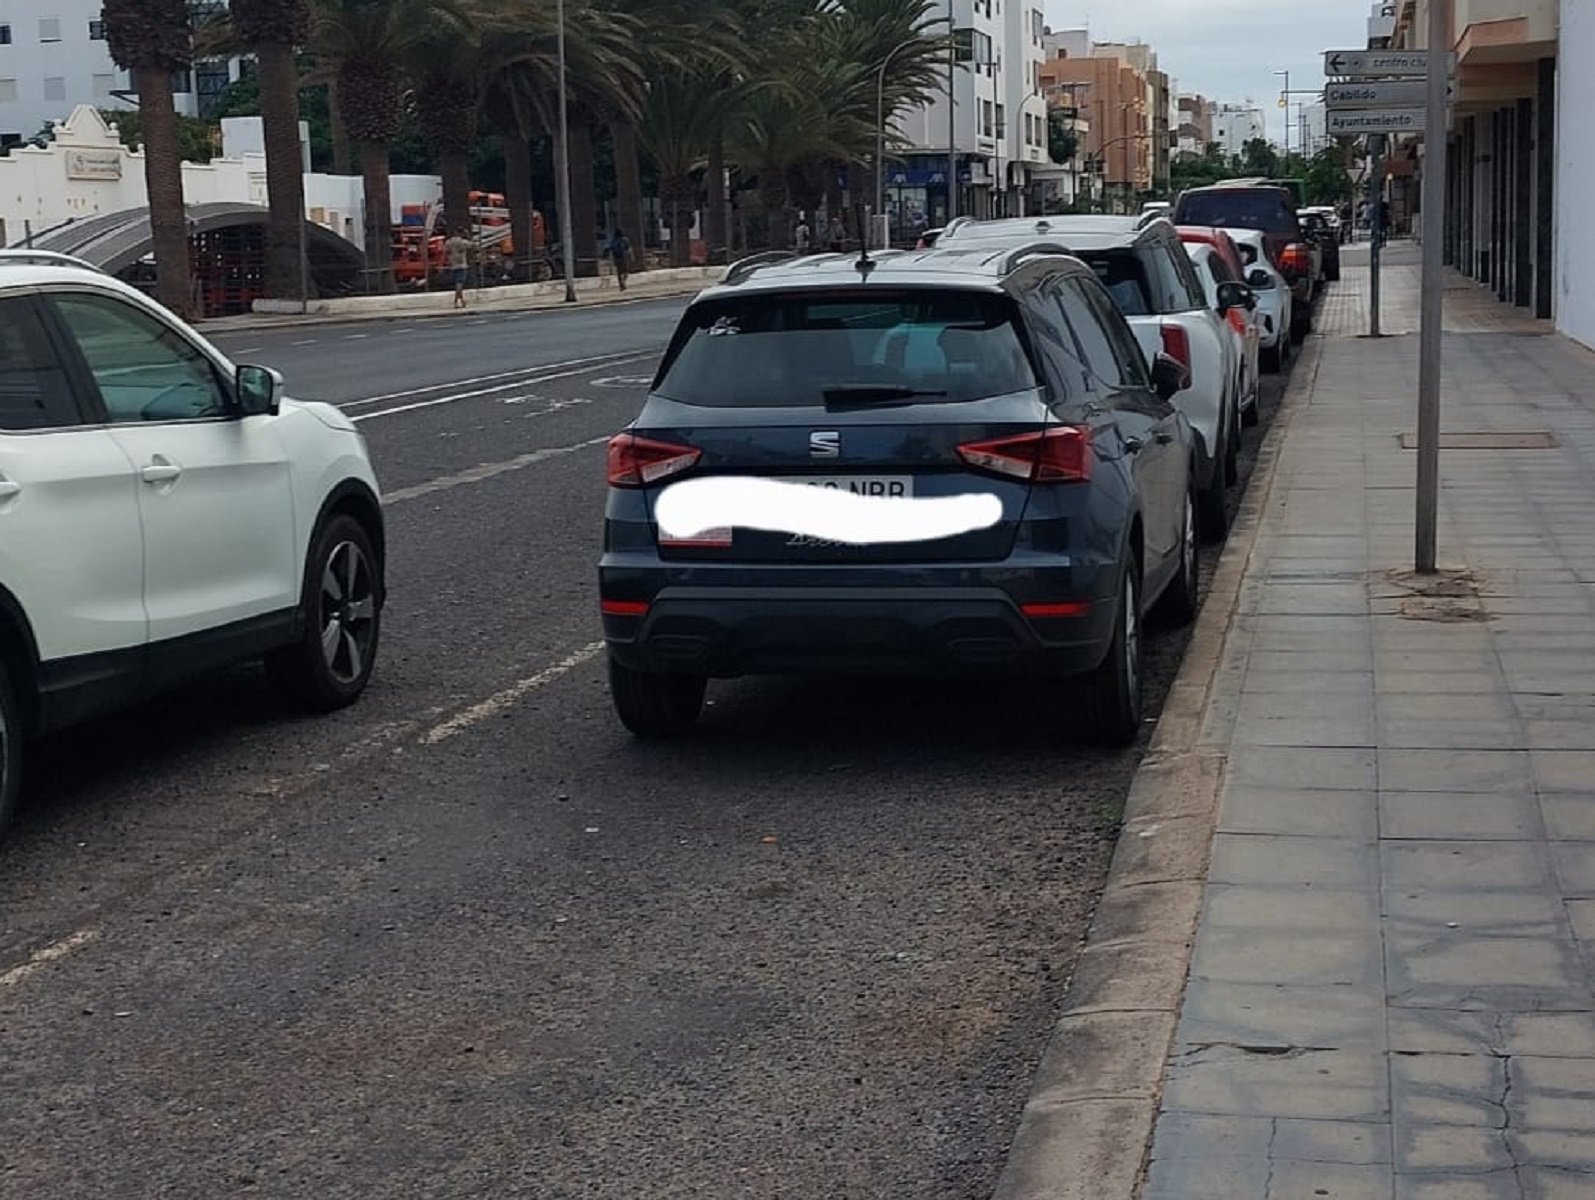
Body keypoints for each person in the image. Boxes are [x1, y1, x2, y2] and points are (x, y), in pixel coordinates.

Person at [444, 232, 472, 308]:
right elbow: (471, 245)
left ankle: (462, 301)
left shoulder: (448, 242)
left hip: (453, 265)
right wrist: (468, 236)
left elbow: (445, 251)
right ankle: (456, 301)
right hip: (462, 265)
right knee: (460, 284)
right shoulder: (462, 242)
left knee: (458, 284)